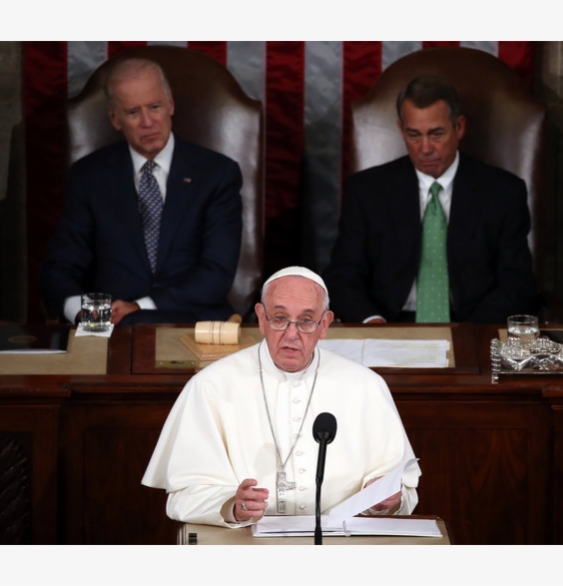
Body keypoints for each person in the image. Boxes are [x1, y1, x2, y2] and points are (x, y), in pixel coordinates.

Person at [142, 266, 420, 527]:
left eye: (306, 321)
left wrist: (385, 501)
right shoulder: (211, 385)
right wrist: (230, 505)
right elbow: (182, 496)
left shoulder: (366, 386)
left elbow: (405, 492)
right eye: (279, 318)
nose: (291, 334)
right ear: (261, 318)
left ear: (325, 324)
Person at [40, 57, 242, 325]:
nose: (147, 122)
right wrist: (86, 313)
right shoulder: (88, 176)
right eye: (133, 112)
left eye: (155, 107)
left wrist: (141, 306)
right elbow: (61, 267)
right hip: (110, 322)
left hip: (192, 320)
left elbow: (216, 274)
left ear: (170, 104)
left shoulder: (217, 174)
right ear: (115, 118)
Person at [323, 74, 537, 325]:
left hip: (473, 324)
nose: (425, 149)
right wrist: (372, 322)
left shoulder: (503, 192)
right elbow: (343, 276)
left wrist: (470, 333)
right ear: (401, 129)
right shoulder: (367, 191)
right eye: (414, 135)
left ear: (459, 127)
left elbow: (517, 282)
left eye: (436, 134)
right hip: (389, 324)